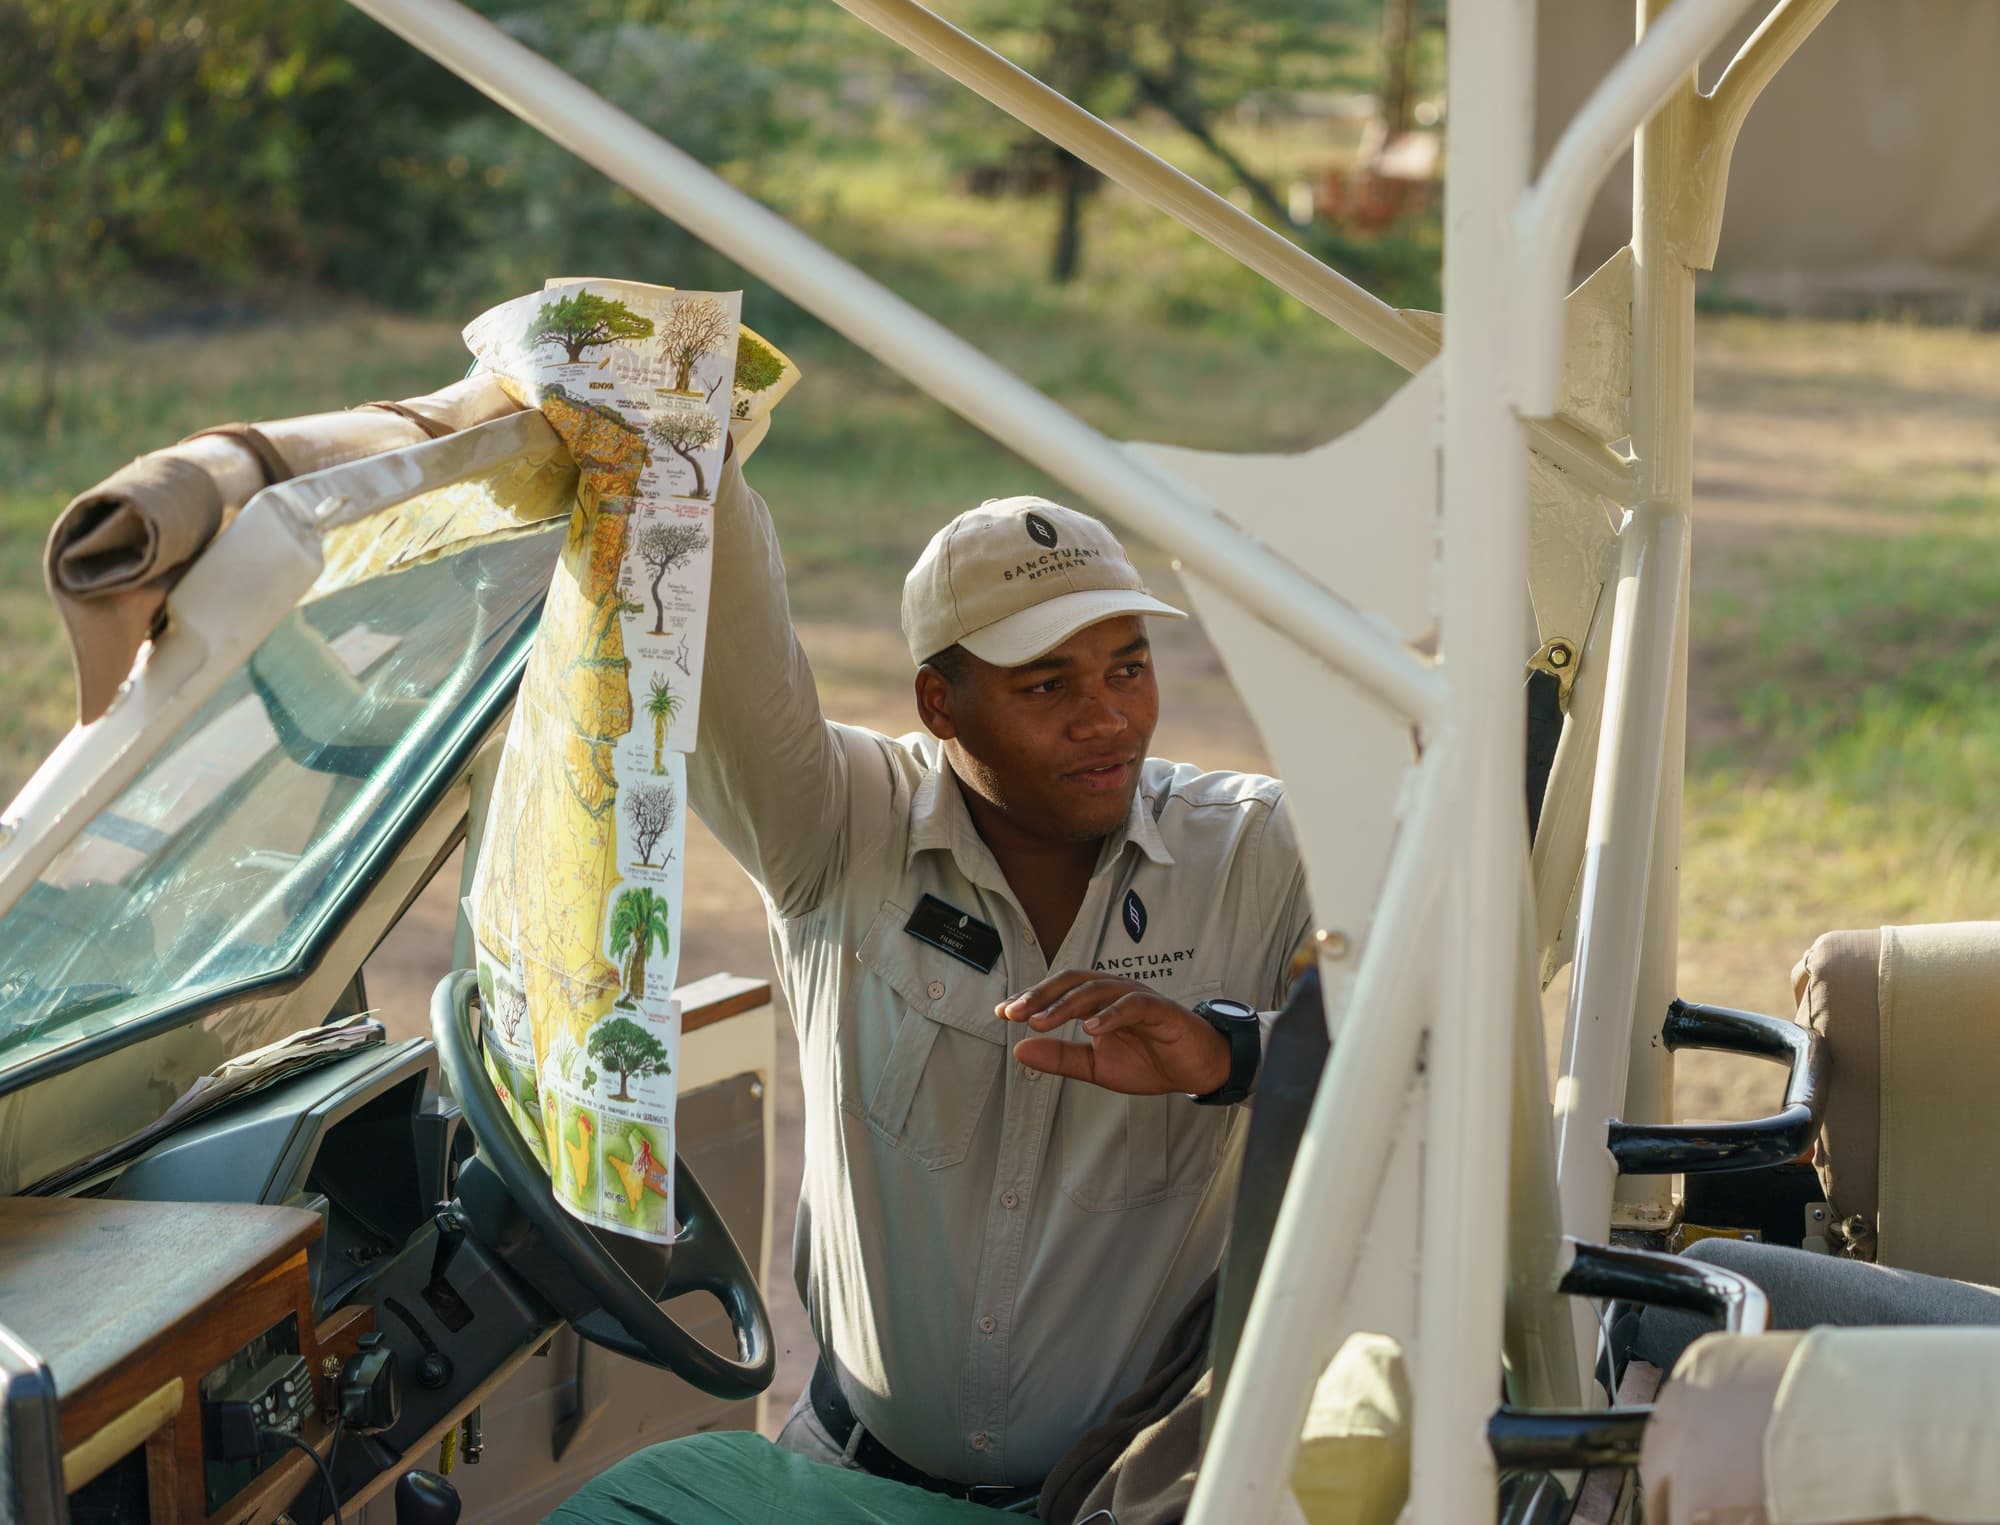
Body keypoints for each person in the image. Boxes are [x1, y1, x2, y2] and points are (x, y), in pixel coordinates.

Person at [592, 451, 1311, 1510]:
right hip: (847, 1477)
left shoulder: (1259, 850)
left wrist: (1235, 1053)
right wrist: (687, 441)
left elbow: (1444, 1044)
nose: (1105, 717)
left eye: (1126, 665)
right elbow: (712, 639)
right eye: (1044, 684)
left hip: (1116, 1498)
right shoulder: (837, 828)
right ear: (940, 701)